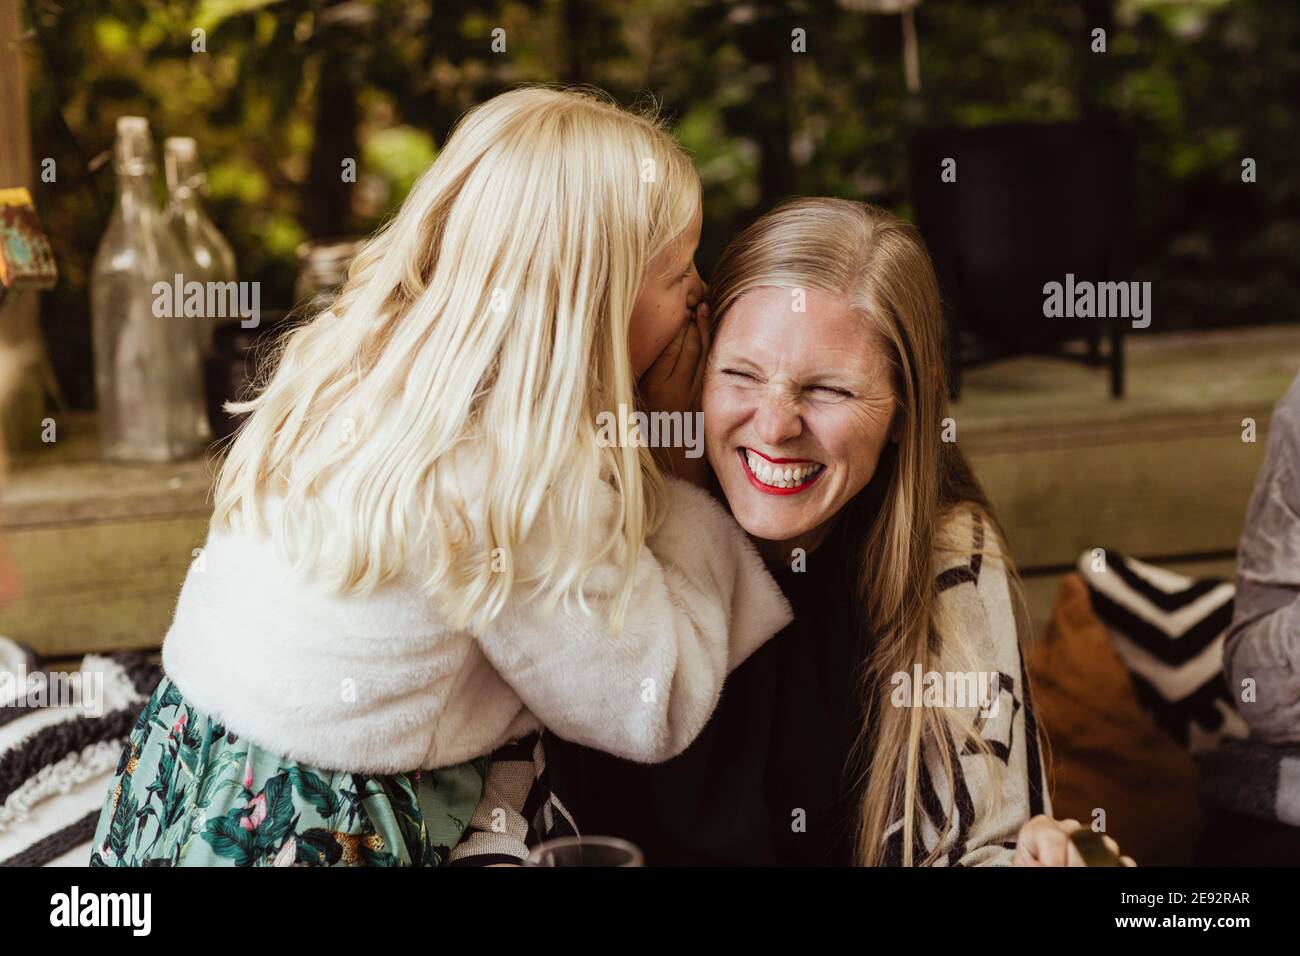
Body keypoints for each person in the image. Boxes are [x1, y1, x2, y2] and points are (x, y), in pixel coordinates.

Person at [88, 87, 793, 867]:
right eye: (676, 271)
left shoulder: (354, 370)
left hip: (181, 781)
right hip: (322, 832)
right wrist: (678, 472)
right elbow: (647, 705)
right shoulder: (517, 477)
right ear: (587, 306)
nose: (701, 291)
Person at [456, 198, 1134, 867]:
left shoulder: (945, 554)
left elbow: (983, 839)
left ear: (909, 406)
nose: (777, 426)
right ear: (695, 367)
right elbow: (493, 819)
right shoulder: (584, 524)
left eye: (830, 391)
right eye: (741, 375)